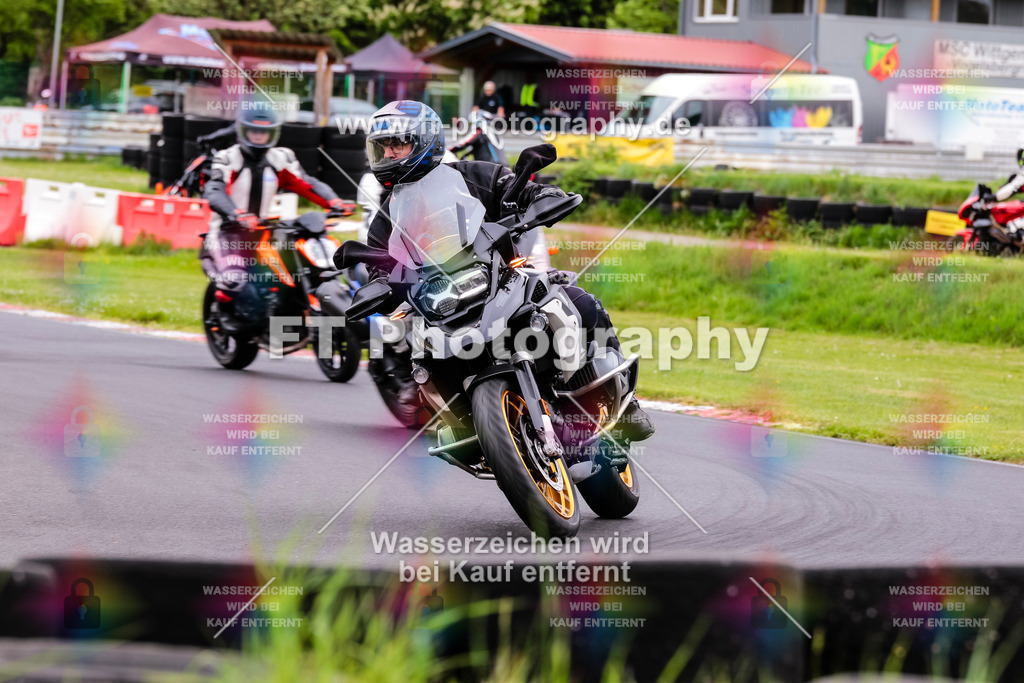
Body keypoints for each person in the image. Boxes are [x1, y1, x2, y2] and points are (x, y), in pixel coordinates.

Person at [362, 100, 654, 441]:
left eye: (398, 144)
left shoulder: (473, 175)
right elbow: (378, 268)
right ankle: (462, 425)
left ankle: (627, 404)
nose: (390, 154)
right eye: (383, 147)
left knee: (579, 301)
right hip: (441, 307)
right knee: (418, 355)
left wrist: (544, 197)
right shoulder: (385, 220)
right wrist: (379, 287)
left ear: (425, 142)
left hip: (502, 280)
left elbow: (521, 189)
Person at [204, 101, 348, 235]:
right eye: (254, 131)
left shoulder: (282, 158)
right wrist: (236, 214)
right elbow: (215, 191)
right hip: (225, 233)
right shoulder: (227, 157)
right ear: (244, 131)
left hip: (262, 233)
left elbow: (307, 183)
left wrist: (333, 201)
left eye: (263, 132)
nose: (258, 136)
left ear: (272, 133)